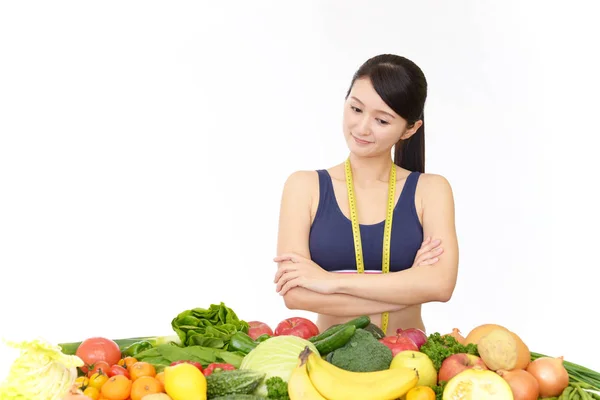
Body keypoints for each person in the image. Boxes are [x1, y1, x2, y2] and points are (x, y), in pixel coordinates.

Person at [273, 54, 459, 336]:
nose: (362, 128)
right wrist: (409, 285)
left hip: (411, 358)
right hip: (329, 360)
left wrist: (329, 281)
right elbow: (295, 294)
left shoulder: (431, 190)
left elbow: (441, 286)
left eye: (382, 121)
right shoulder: (304, 187)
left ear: (410, 129)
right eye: (356, 109)